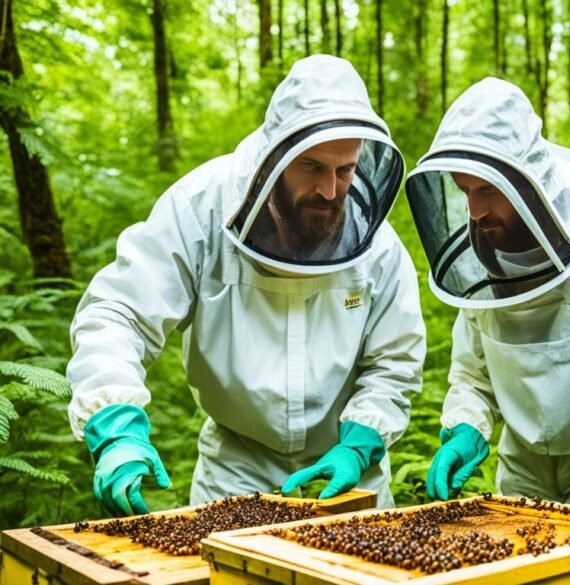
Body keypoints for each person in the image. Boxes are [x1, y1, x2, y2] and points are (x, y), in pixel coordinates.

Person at [66, 55, 425, 516]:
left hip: (348, 481)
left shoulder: (377, 245)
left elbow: (394, 360)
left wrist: (361, 441)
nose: (330, 191)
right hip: (234, 473)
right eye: (312, 167)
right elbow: (120, 312)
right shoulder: (200, 210)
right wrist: (114, 420)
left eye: (345, 170)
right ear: (275, 156)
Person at [404, 78, 570, 507]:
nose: (475, 211)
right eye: (466, 190)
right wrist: (466, 427)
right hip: (521, 459)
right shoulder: (480, 247)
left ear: (526, 183)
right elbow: (472, 370)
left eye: (487, 190)